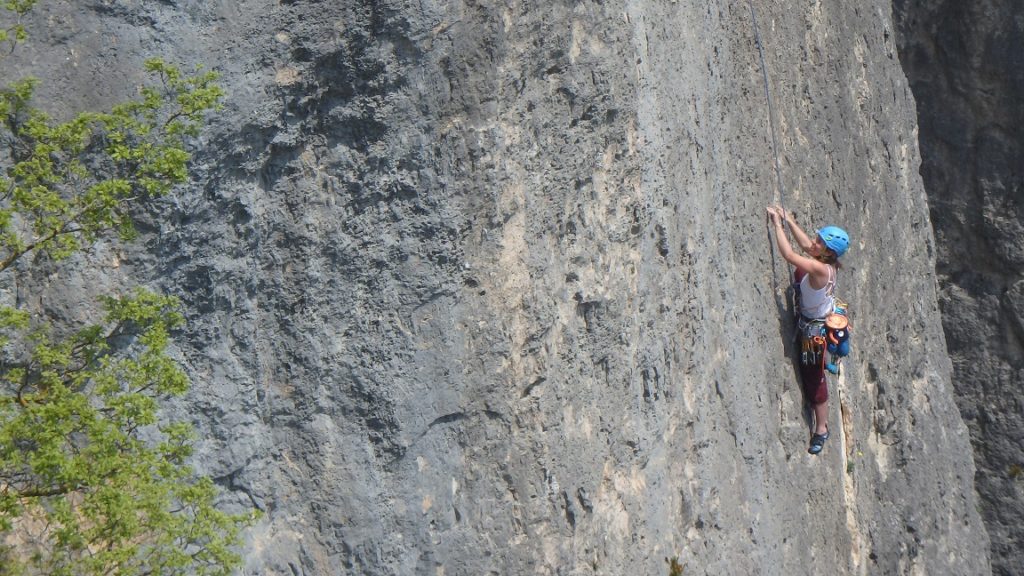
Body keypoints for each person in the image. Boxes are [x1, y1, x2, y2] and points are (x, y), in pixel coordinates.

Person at [766, 206, 850, 455]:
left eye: (819, 242)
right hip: (820, 318)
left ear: (827, 251)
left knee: (814, 381)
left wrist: (777, 226)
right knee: (802, 269)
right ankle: (826, 360)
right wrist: (789, 218)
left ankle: (821, 428)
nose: (814, 243)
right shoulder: (826, 263)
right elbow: (805, 247)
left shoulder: (820, 269)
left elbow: (791, 255)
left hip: (814, 332)